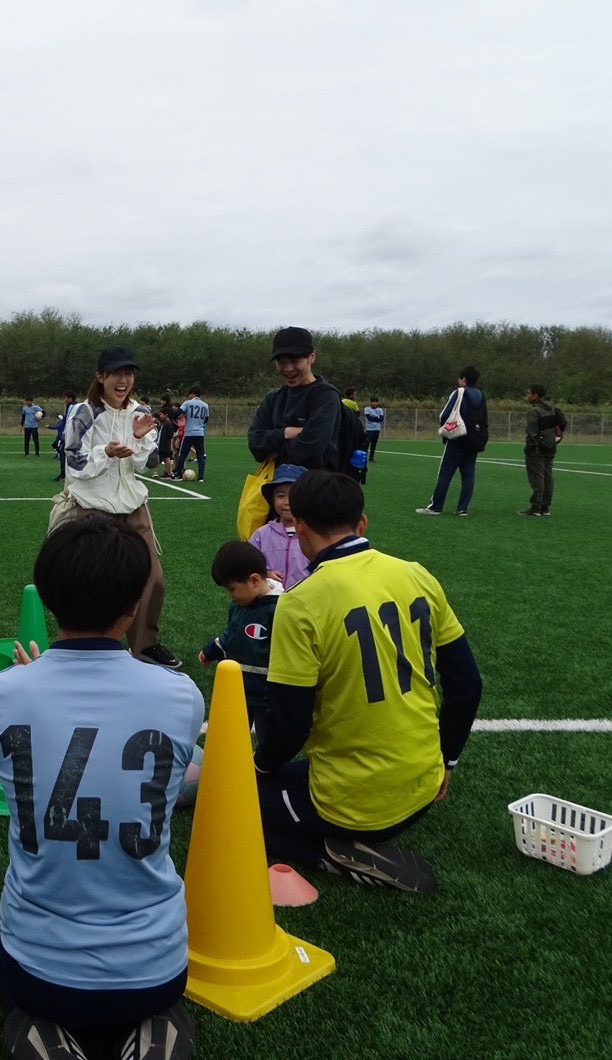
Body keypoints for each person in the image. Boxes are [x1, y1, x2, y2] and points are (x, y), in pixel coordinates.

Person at [0, 515, 203, 1060]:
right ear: (134, 607)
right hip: (158, 970)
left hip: (38, 972)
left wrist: (31, 681)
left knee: (2, 949)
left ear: (49, 598)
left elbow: (22, 772)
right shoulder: (181, 696)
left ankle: (41, 1027)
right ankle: (153, 1025)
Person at [254, 470, 483, 893]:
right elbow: (467, 686)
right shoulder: (417, 574)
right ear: (362, 523)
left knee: (232, 798)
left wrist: (260, 764)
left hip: (353, 807)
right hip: (426, 786)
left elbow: (289, 725)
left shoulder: (301, 602)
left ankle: (333, 855)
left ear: (299, 526)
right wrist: (447, 763)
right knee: (295, 776)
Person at [61, 346, 182, 669]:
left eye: (129, 373)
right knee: (94, 579)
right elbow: (74, 461)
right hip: (93, 506)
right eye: (116, 373)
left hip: (133, 504)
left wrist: (139, 439)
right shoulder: (84, 412)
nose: (123, 380)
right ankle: (89, 645)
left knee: (153, 577)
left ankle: (145, 646)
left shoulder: (140, 411)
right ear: (100, 377)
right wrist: (106, 452)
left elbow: (150, 462)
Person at [198, 540, 277, 718]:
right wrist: (211, 650)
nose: (230, 595)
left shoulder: (280, 608)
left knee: (266, 734)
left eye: (232, 589)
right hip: (238, 687)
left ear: (255, 580)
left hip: (267, 693)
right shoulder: (238, 605)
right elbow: (232, 634)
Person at [247, 327, 342, 471]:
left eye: (295, 360)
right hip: (276, 484)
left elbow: (311, 451)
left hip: (314, 483)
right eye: (281, 362)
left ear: (312, 357)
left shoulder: (326, 396)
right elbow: (255, 443)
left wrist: (275, 452)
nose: (288, 368)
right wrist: (286, 433)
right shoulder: (273, 398)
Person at [416, 367, 489, 518]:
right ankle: (463, 509)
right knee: (468, 475)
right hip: (475, 439)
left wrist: (445, 431)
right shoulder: (481, 395)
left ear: (464, 379)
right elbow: (484, 418)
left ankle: (436, 507)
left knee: (445, 473)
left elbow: (445, 415)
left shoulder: (459, 392)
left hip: (457, 438)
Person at [249, 463, 309, 591]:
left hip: (304, 598)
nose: (287, 502)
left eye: (294, 496)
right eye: (281, 496)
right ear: (272, 500)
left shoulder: (313, 534)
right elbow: (249, 564)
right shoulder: (262, 534)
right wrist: (265, 574)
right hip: (270, 597)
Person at [519, 384, 565, 517]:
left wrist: (533, 445)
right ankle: (545, 507)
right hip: (551, 446)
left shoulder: (535, 411)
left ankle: (536, 506)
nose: (527, 396)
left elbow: (532, 432)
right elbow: (561, 425)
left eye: (529, 393)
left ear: (536, 395)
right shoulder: (553, 409)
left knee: (537, 477)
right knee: (548, 476)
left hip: (537, 449)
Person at [172, 387, 210, 482]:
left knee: (182, 454)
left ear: (193, 394)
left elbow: (178, 413)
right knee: (200, 455)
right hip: (200, 433)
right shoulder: (205, 405)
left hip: (189, 432)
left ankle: (179, 475)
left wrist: (177, 417)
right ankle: (200, 477)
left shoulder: (188, 403)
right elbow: (206, 420)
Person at [51, 390, 78, 481]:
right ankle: (66, 474)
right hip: (71, 434)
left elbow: (69, 422)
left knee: (64, 453)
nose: (64, 400)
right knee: (65, 453)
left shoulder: (72, 407)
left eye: (65, 398)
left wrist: (65, 433)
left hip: (70, 435)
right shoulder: (71, 406)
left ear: (70, 398)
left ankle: (64, 475)